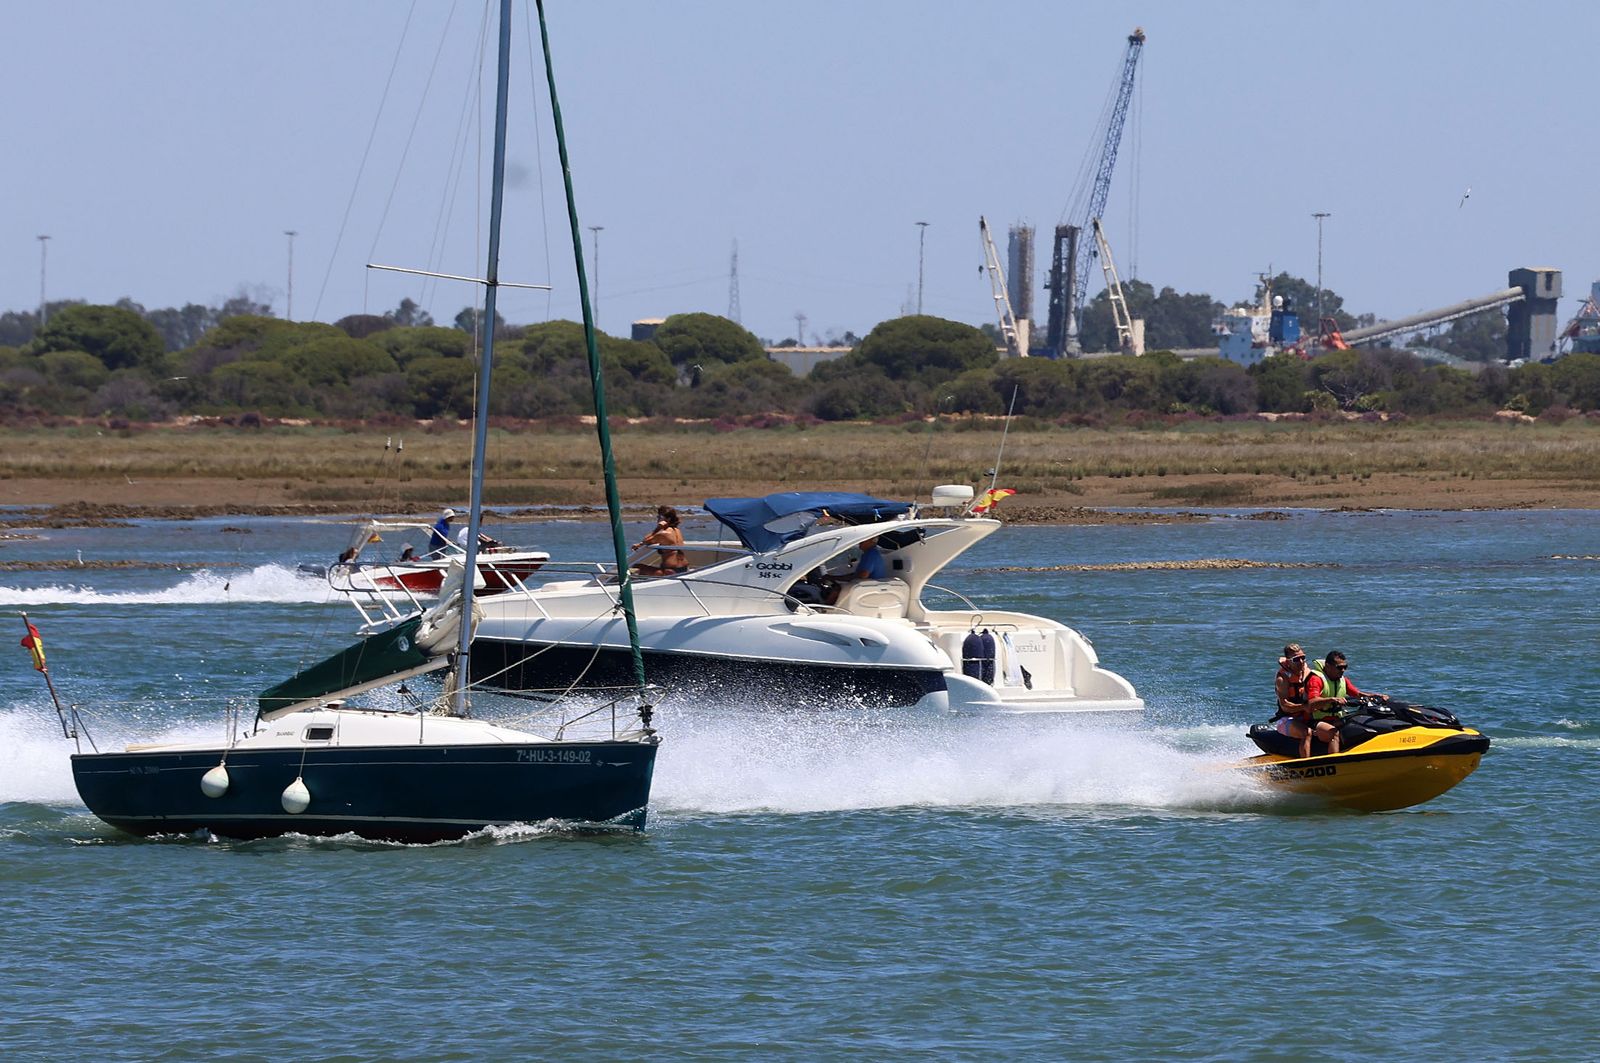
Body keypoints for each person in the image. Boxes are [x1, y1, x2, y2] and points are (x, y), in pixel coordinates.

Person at [1305, 651, 1388, 756]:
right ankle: (1334, 761)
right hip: (1315, 721)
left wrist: (1375, 696)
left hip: (1336, 719)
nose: (1343, 670)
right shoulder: (1316, 679)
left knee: (1358, 725)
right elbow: (1312, 703)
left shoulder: (1343, 680)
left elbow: (1357, 694)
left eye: (1345, 667)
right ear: (1328, 666)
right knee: (1333, 733)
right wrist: (1332, 699)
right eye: (1339, 667)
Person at [1272, 643, 1316, 758]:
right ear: (1288, 661)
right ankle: (1307, 764)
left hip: (1306, 716)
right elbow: (1284, 705)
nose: (1301, 661)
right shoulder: (1282, 679)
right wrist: (1303, 707)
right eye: (1296, 659)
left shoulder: (1306, 671)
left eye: (1303, 658)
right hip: (1287, 719)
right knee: (1307, 732)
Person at [823, 536, 887, 605]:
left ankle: (824, 608)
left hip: (867, 588)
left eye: (864, 539)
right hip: (872, 586)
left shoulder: (870, 554)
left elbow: (862, 576)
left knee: (837, 589)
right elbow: (860, 574)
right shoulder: (874, 553)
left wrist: (833, 578)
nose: (860, 541)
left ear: (872, 541)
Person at [632, 505, 688, 577]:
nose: (658, 519)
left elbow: (646, 539)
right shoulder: (677, 530)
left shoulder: (664, 534)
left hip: (669, 571)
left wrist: (658, 528)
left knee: (636, 566)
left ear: (668, 519)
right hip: (684, 568)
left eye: (659, 517)